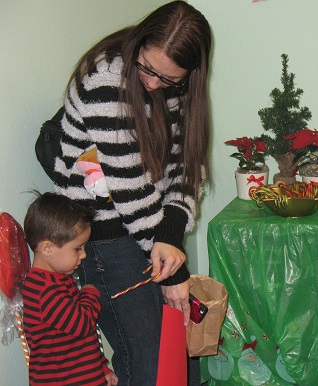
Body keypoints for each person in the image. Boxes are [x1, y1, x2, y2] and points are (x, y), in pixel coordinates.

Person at [53, 2, 212, 384]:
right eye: (148, 69)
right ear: (139, 41)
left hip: (149, 228)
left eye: (169, 79)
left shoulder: (177, 87)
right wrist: (174, 271)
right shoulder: (105, 78)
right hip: (105, 237)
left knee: (178, 355)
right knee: (150, 361)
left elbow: (186, 167)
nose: (155, 84)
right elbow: (128, 187)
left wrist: (171, 237)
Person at [22, 192, 118, 386]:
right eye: (77, 248)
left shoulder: (58, 279)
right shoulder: (43, 290)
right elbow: (81, 324)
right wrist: (90, 293)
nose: (83, 255)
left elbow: (78, 340)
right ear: (47, 248)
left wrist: (101, 367)